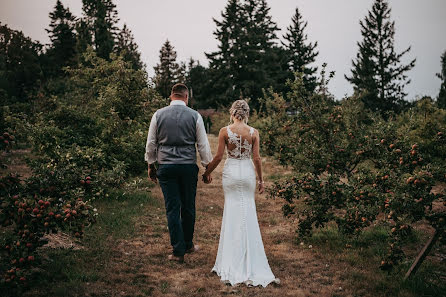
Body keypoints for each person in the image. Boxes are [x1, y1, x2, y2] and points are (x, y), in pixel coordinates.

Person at [202, 99, 280, 287]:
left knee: (232, 213)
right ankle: (250, 258)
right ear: (246, 114)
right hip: (246, 174)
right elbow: (257, 159)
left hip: (231, 174)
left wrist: (207, 172)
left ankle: (232, 259)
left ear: (232, 113)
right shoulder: (254, 132)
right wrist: (261, 180)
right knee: (248, 213)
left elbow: (219, 156)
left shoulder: (224, 131)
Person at [145, 83, 213, 263]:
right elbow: (203, 144)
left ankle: (178, 251)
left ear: (171, 96)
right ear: (186, 97)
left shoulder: (158, 115)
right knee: (188, 206)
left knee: (172, 208)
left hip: (166, 166)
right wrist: (207, 167)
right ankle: (188, 244)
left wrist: (151, 164)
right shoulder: (195, 116)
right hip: (187, 166)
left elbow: (151, 142)